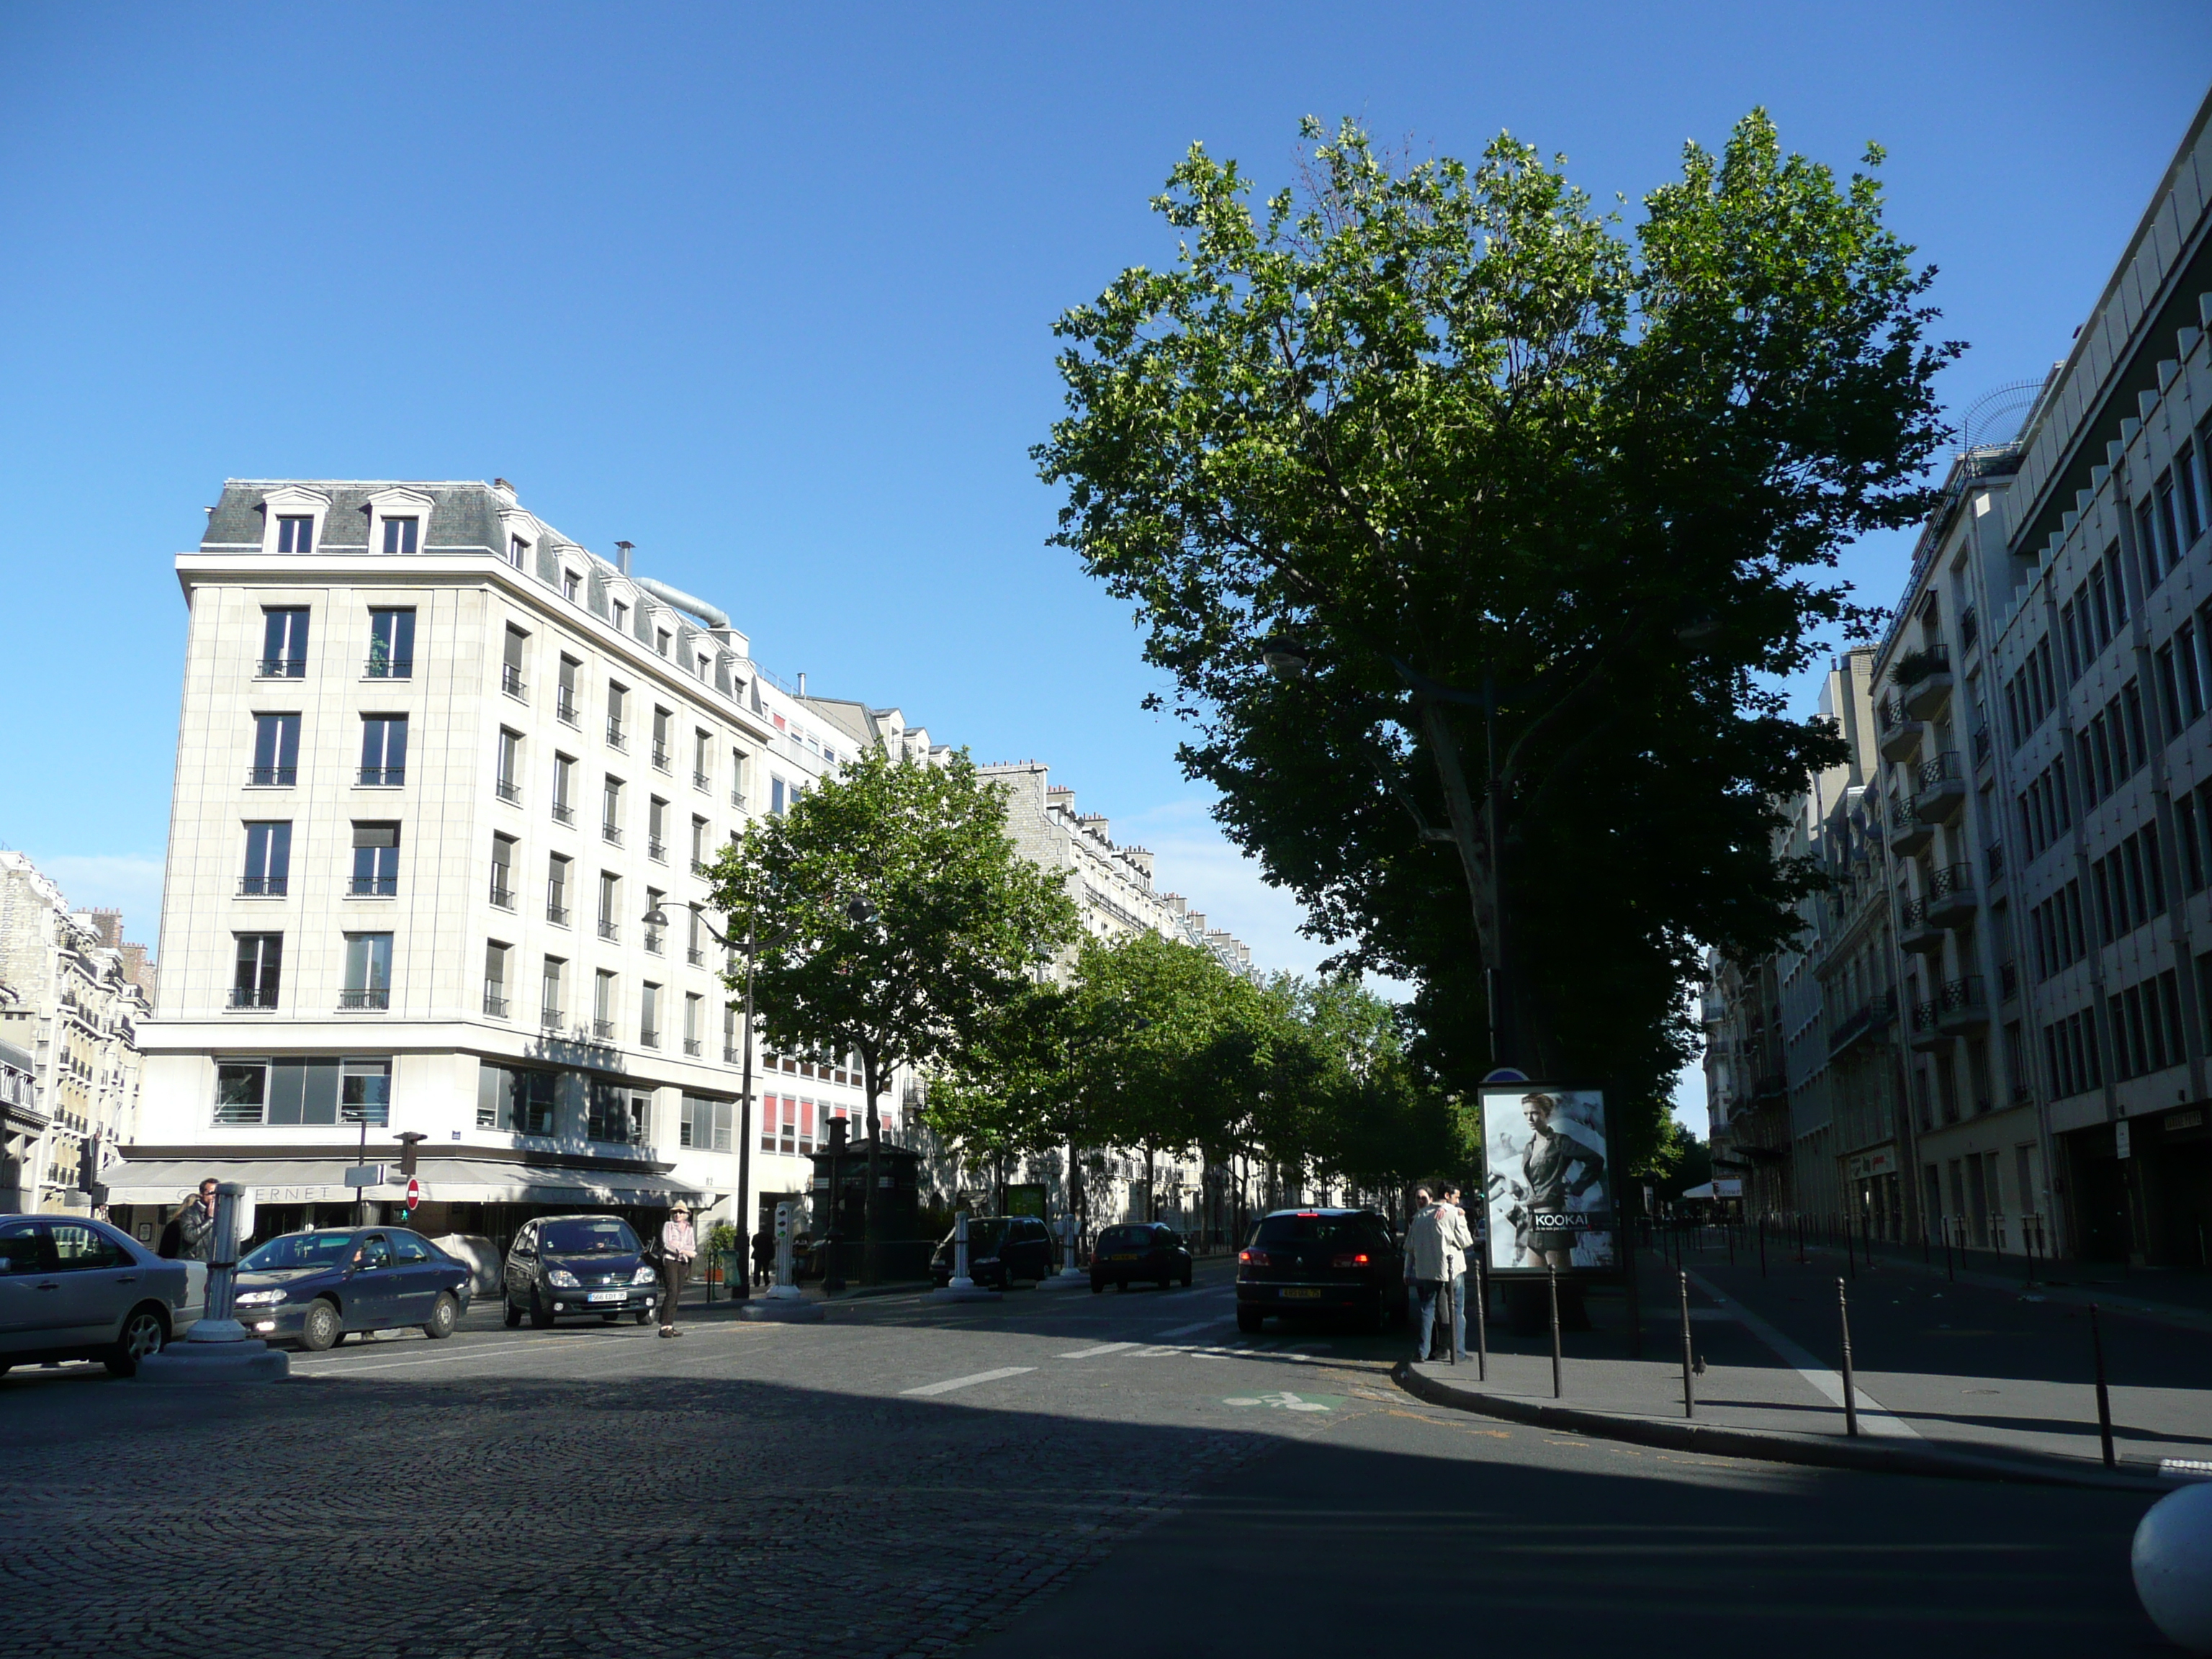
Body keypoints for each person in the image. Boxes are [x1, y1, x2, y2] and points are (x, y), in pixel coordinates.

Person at [1517, 1092, 1607, 1272]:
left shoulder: (1560, 1142)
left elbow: (1595, 1160)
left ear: (1546, 1114)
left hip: (1553, 1217)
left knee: (1560, 1276)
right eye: (1526, 1114)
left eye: (1534, 1113)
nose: (1530, 1118)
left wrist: (1577, 1187)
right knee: (1536, 1279)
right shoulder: (1529, 1146)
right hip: (1532, 1218)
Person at [1437, 1184, 1475, 1359]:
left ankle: (1442, 1349)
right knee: (1458, 1311)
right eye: (1456, 1197)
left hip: (1437, 1269)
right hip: (1455, 1267)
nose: (1458, 1201)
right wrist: (1463, 1219)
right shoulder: (1455, 1214)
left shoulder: (1427, 1214)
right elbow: (1466, 1241)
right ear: (1447, 1195)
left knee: (1439, 1311)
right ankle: (1458, 1351)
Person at [658, 1205, 697, 1337]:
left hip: (683, 1262)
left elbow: (692, 1245)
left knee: (677, 1293)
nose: (678, 1215)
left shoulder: (689, 1228)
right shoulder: (668, 1225)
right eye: (675, 1212)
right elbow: (667, 1243)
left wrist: (683, 1248)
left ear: (685, 1214)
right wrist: (683, 1250)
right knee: (672, 1291)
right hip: (670, 1260)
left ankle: (670, 1325)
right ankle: (664, 1325)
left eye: (680, 1212)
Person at [174, 1179, 220, 1262]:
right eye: (211, 1193)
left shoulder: (223, 1212)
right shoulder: (189, 1213)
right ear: (202, 1194)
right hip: (196, 1263)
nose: (214, 1196)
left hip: (217, 1263)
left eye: (218, 1193)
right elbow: (190, 1237)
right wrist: (210, 1219)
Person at [751, 1224, 774, 1288]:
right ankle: (766, 1281)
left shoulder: (755, 1236)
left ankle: (756, 1282)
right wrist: (772, 1255)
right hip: (766, 1255)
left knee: (757, 1269)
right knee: (766, 1269)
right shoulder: (768, 1237)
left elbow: (753, 1244)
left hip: (757, 1254)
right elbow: (771, 1246)